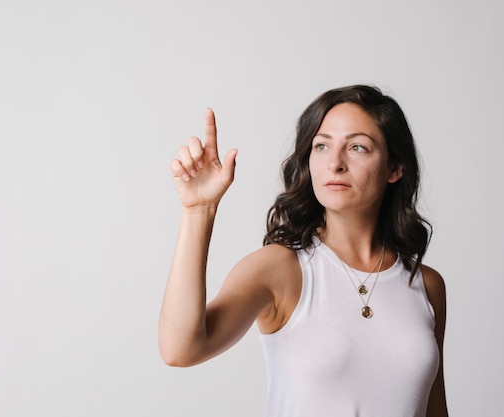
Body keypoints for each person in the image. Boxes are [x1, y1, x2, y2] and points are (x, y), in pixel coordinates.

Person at [158, 85, 448, 417]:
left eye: (357, 147)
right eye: (322, 145)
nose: (335, 163)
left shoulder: (426, 285)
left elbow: (434, 408)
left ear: (395, 168)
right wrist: (199, 211)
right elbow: (180, 349)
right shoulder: (279, 269)